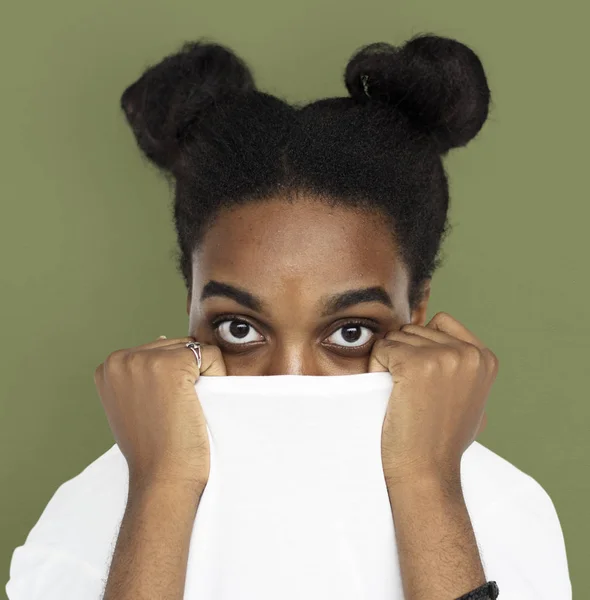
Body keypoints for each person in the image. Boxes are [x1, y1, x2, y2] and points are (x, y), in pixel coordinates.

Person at [6, 33, 571, 600]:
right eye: (240, 329)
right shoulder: (95, 513)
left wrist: (427, 485)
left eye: (350, 333)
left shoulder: (500, 509)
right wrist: (160, 488)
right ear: (191, 306)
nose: (290, 380)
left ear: (417, 310)